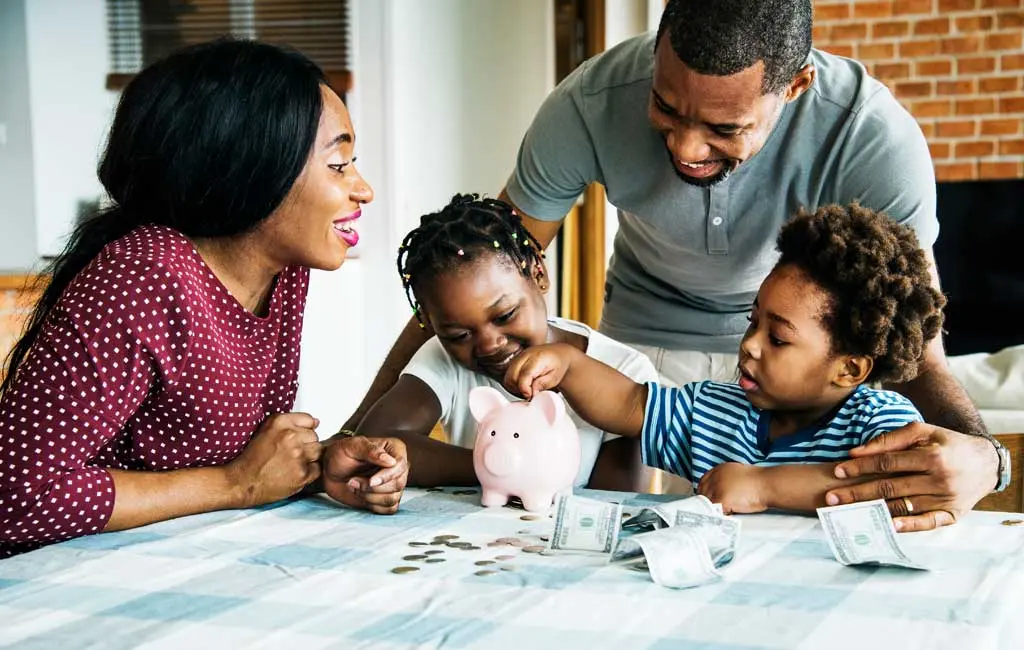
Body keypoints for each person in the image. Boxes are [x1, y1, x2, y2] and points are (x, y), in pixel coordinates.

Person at [344, 0, 1006, 530]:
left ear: (797, 85)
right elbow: (478, 270)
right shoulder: (589, 104)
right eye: (666, 106)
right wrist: (349, 436)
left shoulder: (871, 138)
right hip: (642, 348)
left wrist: (988, 457)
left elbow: (919, 348)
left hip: (799, 351)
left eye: (725, 128)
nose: (687, 147)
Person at [0, 40, 408, 557]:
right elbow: (15, 494)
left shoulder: (282, 275)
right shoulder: (144, 276)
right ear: (254, 166)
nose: (363, 189)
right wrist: (237, 484)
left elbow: (222, 460)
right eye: (338, 164)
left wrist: (316, 465)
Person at [505, 204, 944, 521]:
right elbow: (629, 404)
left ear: (848, 370)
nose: (750, 345)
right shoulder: (714, 410)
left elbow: (884, 488)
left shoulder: (881, 424)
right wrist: (568, 365)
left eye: (778, 338)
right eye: (753, 323)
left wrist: (762, 486)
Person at [351, 194, 657, 492]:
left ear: (538, 274)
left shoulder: (625, 371)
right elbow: (373, 443)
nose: (489, 345)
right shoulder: (444, 357)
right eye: (459, 335)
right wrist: (494, 465)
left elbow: (615, 501)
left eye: (505, 314)